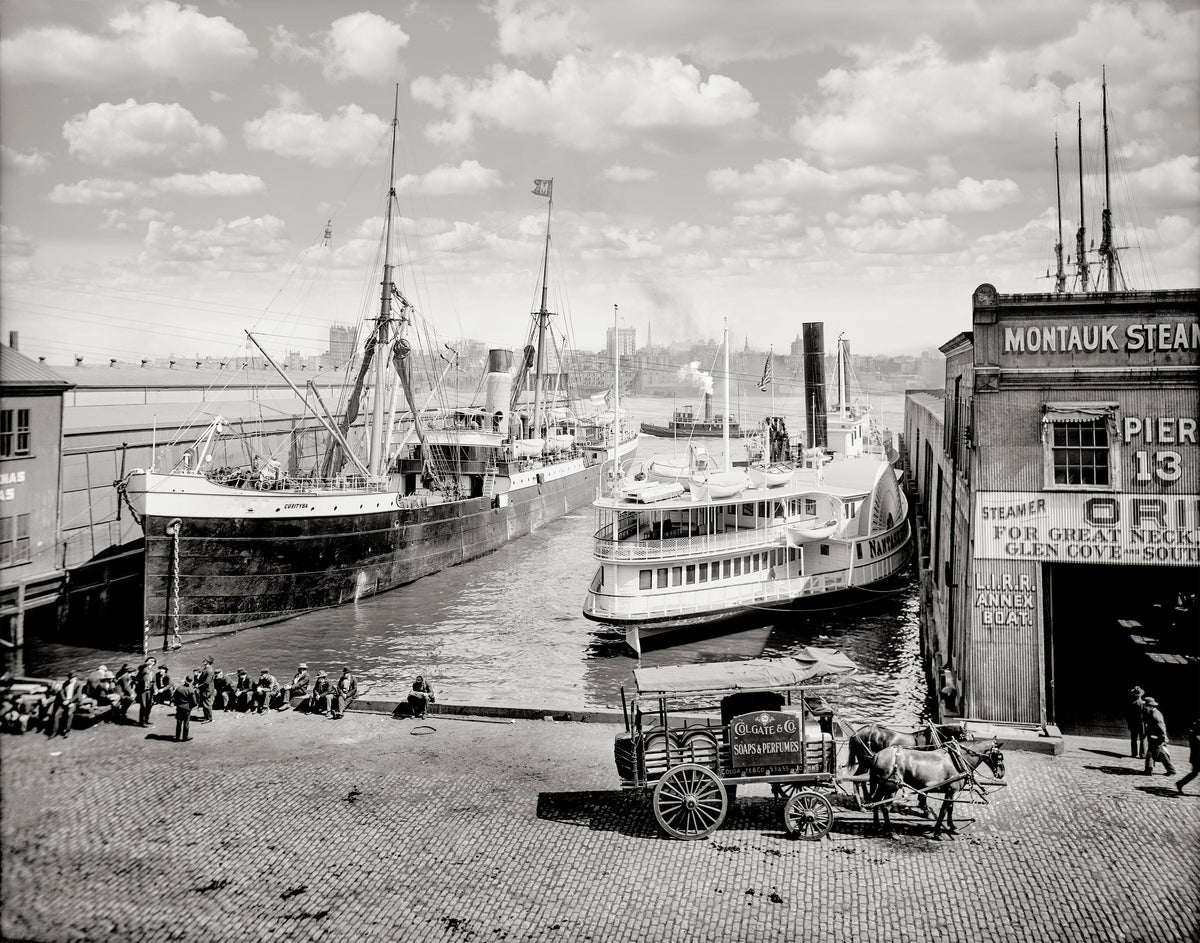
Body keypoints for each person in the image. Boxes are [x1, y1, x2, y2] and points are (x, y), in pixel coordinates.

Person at [1142, 697, 1176, 776]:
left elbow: (1161, 727)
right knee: (1152, 753)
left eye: (1146, 705)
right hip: (1154, 737)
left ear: (1151, 706)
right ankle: (1149, 769)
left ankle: (1171, 770)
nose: (1144, 707)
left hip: (1157, 738)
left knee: (1158, 753)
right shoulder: (1152, 713)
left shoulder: (1155, 715)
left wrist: (1163, 737)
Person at [46, 672, 83, 738]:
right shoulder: (65, 683)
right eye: (69, 678)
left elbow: (78, 695)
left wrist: (69, 701)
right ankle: (55, 731)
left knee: (69, 714)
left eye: (71, 678)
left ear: (75, 678)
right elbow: (62, 692)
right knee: (56, 714)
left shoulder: (79, 684)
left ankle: (67, 731)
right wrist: (64, 700)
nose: (70, 679)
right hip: (65, 701)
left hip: (74, 701)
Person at [1177, 718, 1200, 795]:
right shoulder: (1196, 729)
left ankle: (1180, 783)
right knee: (1195, 772)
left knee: (1195, 772)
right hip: (1197, 755)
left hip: (1196, 755)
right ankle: (1180, 783)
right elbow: (1196, 740)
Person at [173, 674, 197, 742]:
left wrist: (177, 704)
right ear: (191, 681)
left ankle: (177, 737)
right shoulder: (191, 690)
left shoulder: (179, 688)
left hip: (179, 707)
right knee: (186, 723)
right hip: (187, 707)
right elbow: (194, 702)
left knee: (179, 722)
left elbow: (174, 698)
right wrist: (191, 707)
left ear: (185, 680)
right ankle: (185, 737)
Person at [134, 657, 157, 727]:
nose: (152, 662)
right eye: (151, 661)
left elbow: (154, 682)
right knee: (143, 706)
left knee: (149, 705)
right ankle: (142, 722)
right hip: (142, 690)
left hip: (150, 690)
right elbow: (139, 668)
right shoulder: (143, 669)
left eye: (153, 661)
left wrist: (155, 689)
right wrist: (146, 663)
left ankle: (146, 719)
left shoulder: (153, 672)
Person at [1125, 685, 1146, 758]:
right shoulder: (1143, 704)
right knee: (1143, 740)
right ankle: (1142, 754)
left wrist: (1129, 722)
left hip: (1133, 724)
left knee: (1133, 739)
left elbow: (1127, 715)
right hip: (1142, 724)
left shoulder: (1131, 704)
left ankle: (1134, 753)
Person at [196, 655, 216, 723]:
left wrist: (198, 686)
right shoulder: (206, 668)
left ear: (208, 662)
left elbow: (207, 682)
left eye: (204, 660)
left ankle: (209, 718)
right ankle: (206, 716)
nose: (203, 661)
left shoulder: (209, 670)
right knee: (205, 703)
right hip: (205, 689)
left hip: (207, 689)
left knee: (207, 704)